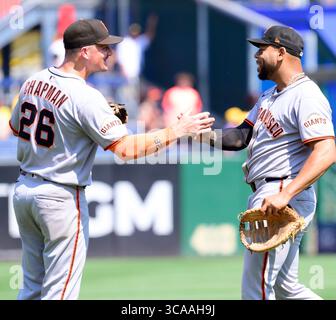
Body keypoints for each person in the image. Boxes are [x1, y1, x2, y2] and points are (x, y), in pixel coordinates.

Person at [9, 19, 214, 300]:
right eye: (103, 47)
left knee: (31, 288)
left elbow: (16, 127)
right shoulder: (85, 96)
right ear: (83, 52)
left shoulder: (34, 80)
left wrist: (78, 128)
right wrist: (175, 131)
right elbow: (126, 149)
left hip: (24, 191)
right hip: (59, 196)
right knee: (59, 293)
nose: (109, 53)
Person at [201, 25, 335, 299]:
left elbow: (326, 152)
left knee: (256, 288)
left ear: (282, 52)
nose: (257, 55)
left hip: (281, 191)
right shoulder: (270, 95)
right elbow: (240, 136)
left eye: (263, 49)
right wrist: (196, 134)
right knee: (286, 287)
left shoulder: (306, 96)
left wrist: (285, 194)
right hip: (275, 191)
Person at [115, 14, 158, 120]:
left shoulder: (139, 42)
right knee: (125, 99)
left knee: (136, 98)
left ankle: (135, 119)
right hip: (126, 77)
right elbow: (120, 60)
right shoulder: (124, 43)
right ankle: (125, 120)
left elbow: (149, 36)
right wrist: (124, 74)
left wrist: (151, 24)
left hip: (136, 77)